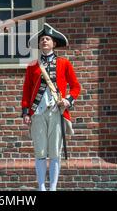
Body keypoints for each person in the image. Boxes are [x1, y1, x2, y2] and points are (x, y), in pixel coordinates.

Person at [21, 23, 81, 191]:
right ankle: (41, 187)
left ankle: (52, 188)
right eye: (42, 39)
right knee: (40, 152)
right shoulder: (32, 66)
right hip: (37, 113)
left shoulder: (64, 63)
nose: (44, 41)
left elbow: (76, 87)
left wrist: (68, 100)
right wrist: (26, 112)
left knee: (55, 152)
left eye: (47, 39)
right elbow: (26, 91)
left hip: (56, 112)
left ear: (54, 44)